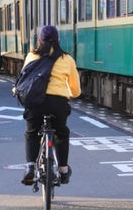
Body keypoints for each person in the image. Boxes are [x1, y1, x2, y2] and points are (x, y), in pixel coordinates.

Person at [21, 25, 81, 186]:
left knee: (32, 133)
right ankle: (62, 169)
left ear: (39, 40)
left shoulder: (31, 56)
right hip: (58, 104)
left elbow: (24, 80)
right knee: (61, 133)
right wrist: (69, 93)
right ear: (58, 40)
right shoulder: (67, 59)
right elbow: (75, 91)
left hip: (35, 103)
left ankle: (30, 167)